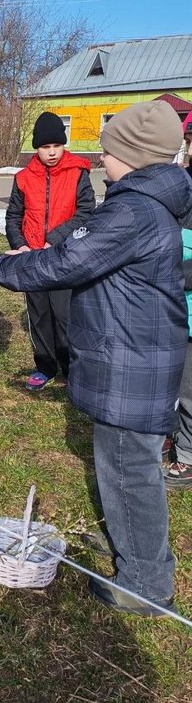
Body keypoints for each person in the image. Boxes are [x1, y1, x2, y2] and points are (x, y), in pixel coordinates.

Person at [0, 100, 188, 616]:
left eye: (106, 151)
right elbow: (76, 252)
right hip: (135, 353)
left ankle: (145, 584)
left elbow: (67, 262)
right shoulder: (146, 203)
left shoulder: (132, 210)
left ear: (130, 156)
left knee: (129, 471)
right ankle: (133, 548)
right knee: (124, 466)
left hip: (131, 362)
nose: (99, 160)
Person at [5, 112, 95, 391]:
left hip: (65, 256)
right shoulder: (23, 178)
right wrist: (20, 245)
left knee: (65, 314)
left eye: (57, 145)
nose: (52, 152)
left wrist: (55, 239)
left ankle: (71, 368)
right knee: (39, 313)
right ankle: (45, 365)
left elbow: (86, 213)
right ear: (37, 148)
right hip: (33, 257)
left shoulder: (78, 173)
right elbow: (13, 216)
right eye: (46, 147)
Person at [164, 112, 192, 489]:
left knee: (189, 388)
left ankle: (187, 454)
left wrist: (171, 274)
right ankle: (168, 434)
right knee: (167, 381)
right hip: (170, 307)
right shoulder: (180, 185)